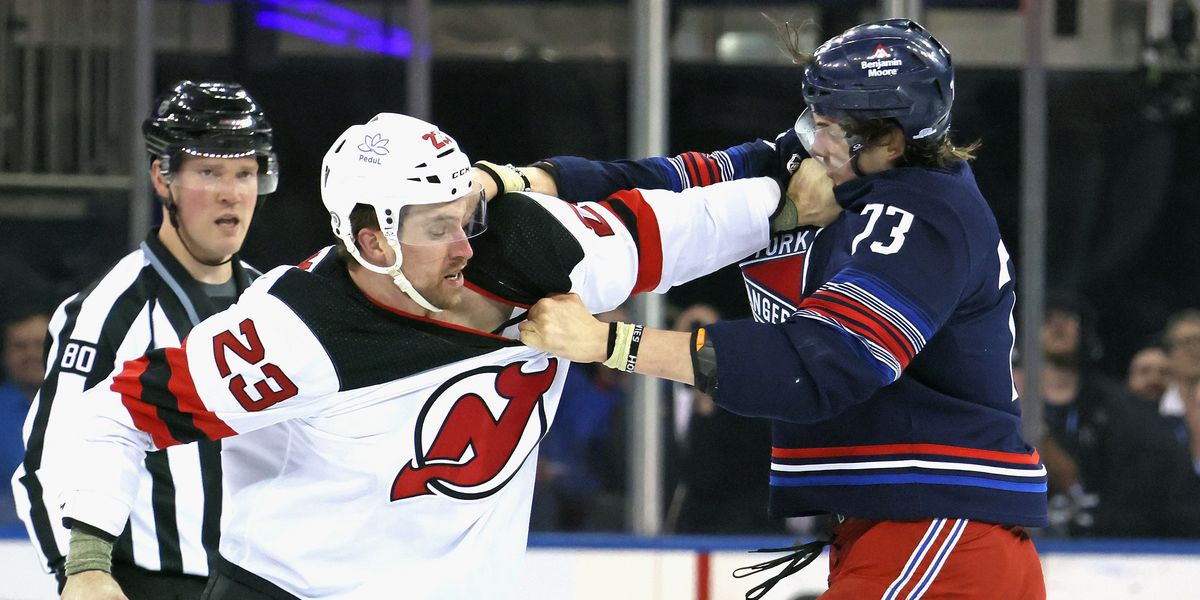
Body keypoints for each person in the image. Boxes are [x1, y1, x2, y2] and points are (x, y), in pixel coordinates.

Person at [52, 112, 799, 599]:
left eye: (467, 215)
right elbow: (112, 416)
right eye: (439, 227)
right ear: (372, 241)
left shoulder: (544, 248)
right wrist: (88, 565)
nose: (467, 244)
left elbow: (701, 218)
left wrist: (807, 189)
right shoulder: (289, 333)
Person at [517, 19, 1048, 599]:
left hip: (939, 535)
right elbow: (680, 182)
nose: (809, 143)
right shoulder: (833, 169)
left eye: (827, 127)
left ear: (890, 141)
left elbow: (820, 365)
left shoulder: (922, 218)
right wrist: (528, 180)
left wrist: (610, 344)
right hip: (907, 533)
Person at [11, 80, 278, 599]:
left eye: (245, 172)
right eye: (209, 171)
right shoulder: (106, 310)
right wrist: (78, 574)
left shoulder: (274, 306)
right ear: (163, 177)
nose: (232, 192)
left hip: (256, 583)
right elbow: (48, 463)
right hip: (145, 585)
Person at [1, 308, 51, 527]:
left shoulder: (87, 407)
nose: (31, 354)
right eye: (20, 346)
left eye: (40, 344)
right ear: (4, 355)